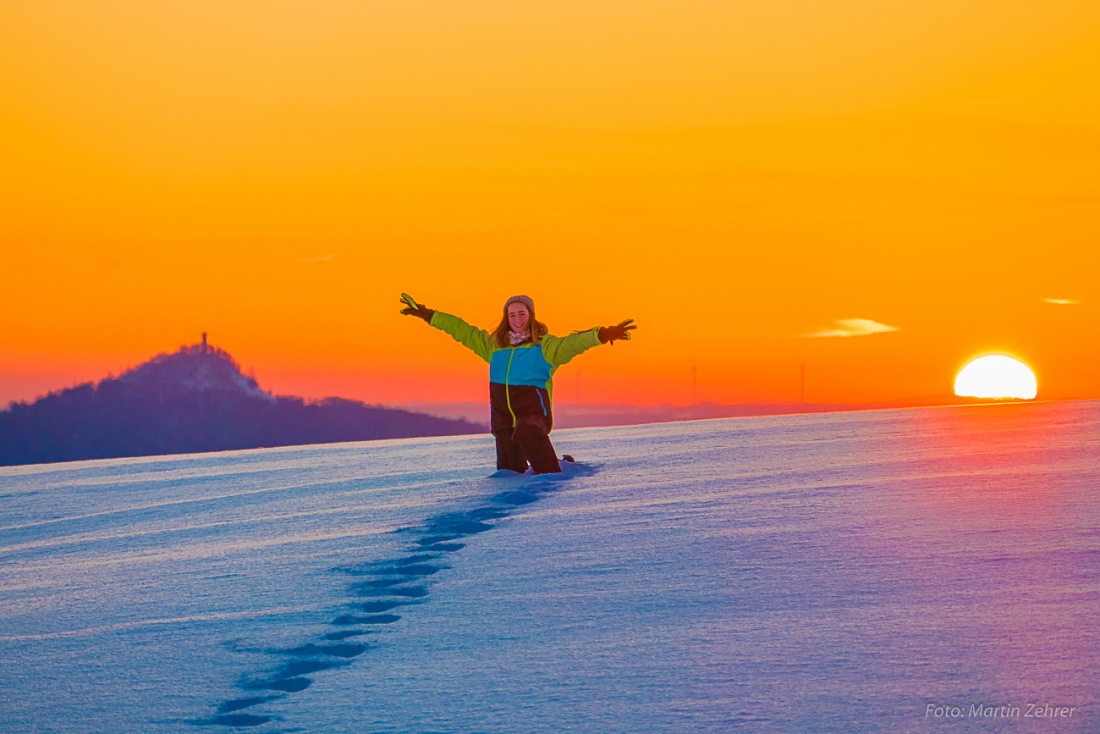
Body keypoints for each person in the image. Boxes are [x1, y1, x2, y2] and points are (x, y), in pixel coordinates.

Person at [401, 294, 636, 474]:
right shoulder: (494, 346)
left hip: (533, 413)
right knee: (509, 472)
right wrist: (427, 314)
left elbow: (574, 343)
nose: (517, 320)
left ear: (531, 315)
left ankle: (554, 475)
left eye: (522, 313)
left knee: (527, 432)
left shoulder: (545, 347)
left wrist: (603, 334)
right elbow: (462, 330)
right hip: (503, 417)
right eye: (512, 315)